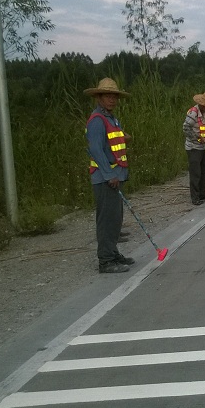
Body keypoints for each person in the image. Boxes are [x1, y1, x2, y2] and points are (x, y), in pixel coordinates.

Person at [84, 78, 134, 274]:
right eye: (107, 96)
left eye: (114, 96)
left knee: (115, 218)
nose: (112, 100)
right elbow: (95, 150)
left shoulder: (112, 118)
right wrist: (108, 173)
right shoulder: (97, 120)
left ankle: (113, 253)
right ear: (99, 98)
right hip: (106, 178)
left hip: (116, 175)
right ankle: (105, 260)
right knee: (106, 220)